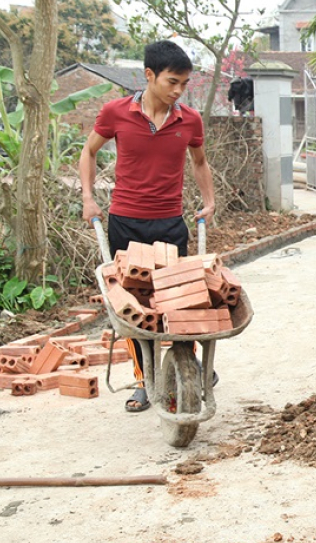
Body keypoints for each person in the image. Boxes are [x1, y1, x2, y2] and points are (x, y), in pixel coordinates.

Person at [79, 40, 216, 413]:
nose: (177, 91)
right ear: (149, 75)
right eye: (172, 82)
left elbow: (200, 162)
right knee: (133, 309)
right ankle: (144, 381)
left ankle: (186, 364)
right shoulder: (116, 113)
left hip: (171, 223)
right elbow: (88, 151)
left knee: (179, 300)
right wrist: (88, 197)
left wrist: (208, 201)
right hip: (125, 223)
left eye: (184, 84)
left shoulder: (189, 119)